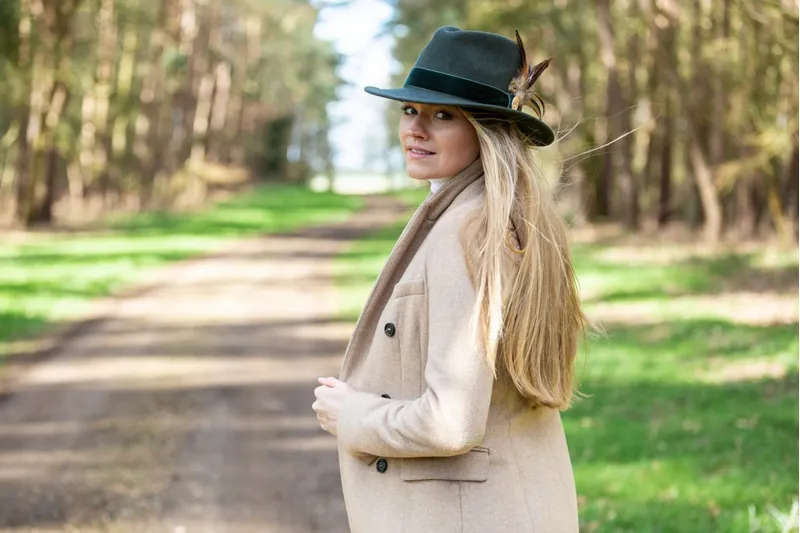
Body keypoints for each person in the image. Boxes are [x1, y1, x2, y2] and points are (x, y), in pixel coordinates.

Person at [312, 26, 586, 533]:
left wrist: (351, 415)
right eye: (409, 110)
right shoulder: (502, 218)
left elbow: (450, 421)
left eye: (443, 116)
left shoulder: (467, 231)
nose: (416, 129)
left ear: (485, 131)